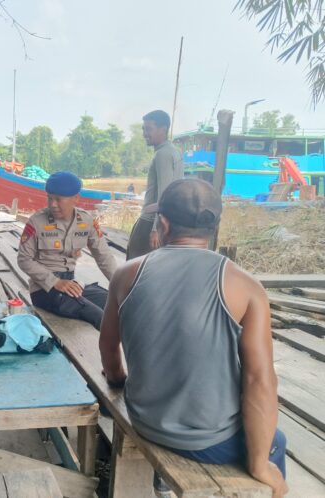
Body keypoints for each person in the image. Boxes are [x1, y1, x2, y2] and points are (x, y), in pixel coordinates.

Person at [99, 179, 288, 498]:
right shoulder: (245, 285)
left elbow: (107, 345)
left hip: (144, 418)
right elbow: (260, 381)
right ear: (215, 226)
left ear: (164, 223)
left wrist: (117, 380)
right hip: (205, 440)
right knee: (275, 442)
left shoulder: (126, 273)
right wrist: (258, 464)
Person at [18, 171, 118, 330]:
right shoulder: (37, 222)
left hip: (71, 285)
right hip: (45, 289)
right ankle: (107, 354)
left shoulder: (86, 221)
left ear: (76, 198)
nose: (53, 204)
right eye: (50, 198)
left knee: (116, 304)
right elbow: (24, 260)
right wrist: (55, 282)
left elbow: (104, 256)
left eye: (58, 199)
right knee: (99, 316)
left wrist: (120, 285)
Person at [127, 110, 183, 259]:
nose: (145, 133)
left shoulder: (163, 154)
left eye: (149, 129)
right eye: (144, 129)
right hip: (166, 223)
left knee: (134, 269)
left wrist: (155, 229)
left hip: (151, 222)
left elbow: (164, 194)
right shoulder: (173, 152)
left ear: (163, 129)